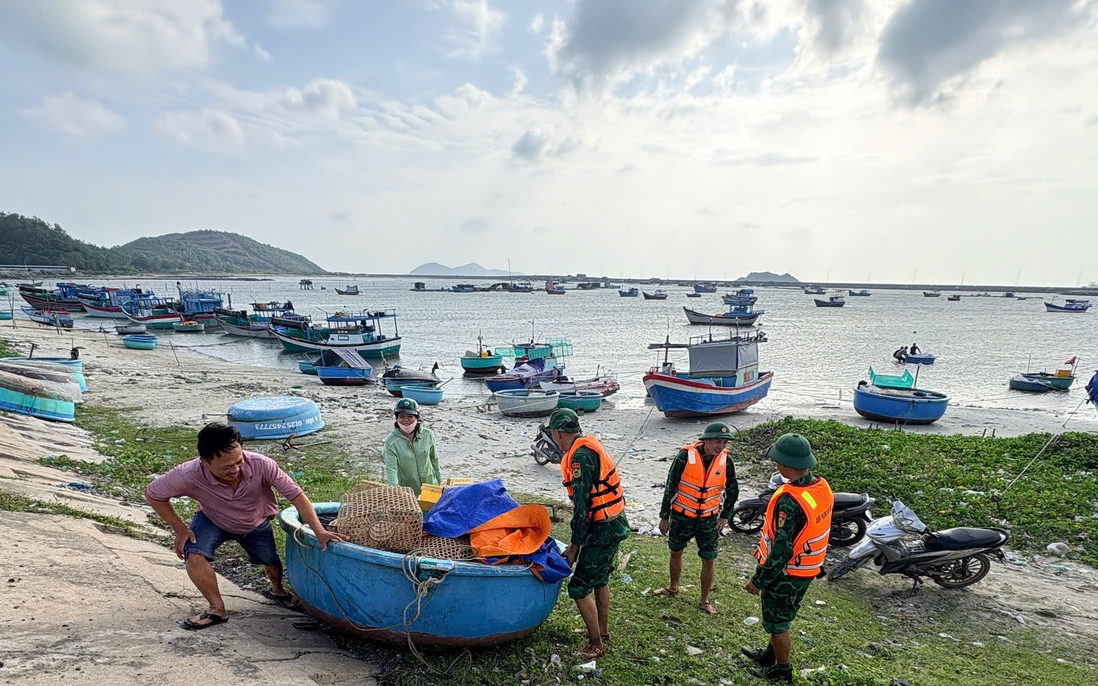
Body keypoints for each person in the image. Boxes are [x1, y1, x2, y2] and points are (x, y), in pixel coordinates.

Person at [144, 423, 344, 631]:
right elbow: (153, 494)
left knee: (270, 560)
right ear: (204, 462)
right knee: (193, 554)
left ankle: (277, 590)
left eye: (238, 462)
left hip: (254, 519)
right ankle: (216, 609)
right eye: (226, 467)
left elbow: (296, 495)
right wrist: (180, 529)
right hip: (212, 519)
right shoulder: (187, 474)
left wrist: (319, 530)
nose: (235, 469)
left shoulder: (262, 464)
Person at [741, 433, 834, 682]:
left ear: (783, 464)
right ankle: (768, 656)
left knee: (778, 624)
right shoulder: (820, 486)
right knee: (781, 615)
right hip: (809, 568)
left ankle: (782, 671)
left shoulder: (790, 501)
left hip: (787, 573)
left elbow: (782, 550)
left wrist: (758, 580)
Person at [550, 408, 631, 659]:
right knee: (601, 579)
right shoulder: (587, 446)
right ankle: (602, 632)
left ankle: (596, 644)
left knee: (579, 586)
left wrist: (574, 547)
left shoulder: (580, 458)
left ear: (557, 433)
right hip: (613, 522)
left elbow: (582, 507)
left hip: (602, 529)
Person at [653, 422, 739, 615]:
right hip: (682, 516)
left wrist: (725, 516)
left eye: (724, 443)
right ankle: (673, 587)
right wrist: (664, 517)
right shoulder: (684, 456)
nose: (721, 446)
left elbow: (733, 490)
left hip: (709, 519)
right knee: (676, 552)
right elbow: (670, 486)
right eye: (717, 441)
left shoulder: (726, 461)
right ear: (706, 440)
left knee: (709, 559)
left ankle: (704, 600)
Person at [382, 398, 441, 496]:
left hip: (430, 487)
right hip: (408, 492)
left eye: (410, 416)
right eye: (402, 416)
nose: (406, 420)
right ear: (397, 418)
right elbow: (391, 468)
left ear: (416, 417)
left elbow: (434, 459)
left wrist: (438, 482)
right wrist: (395, 489)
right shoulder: (391, 442)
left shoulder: (428, 435)